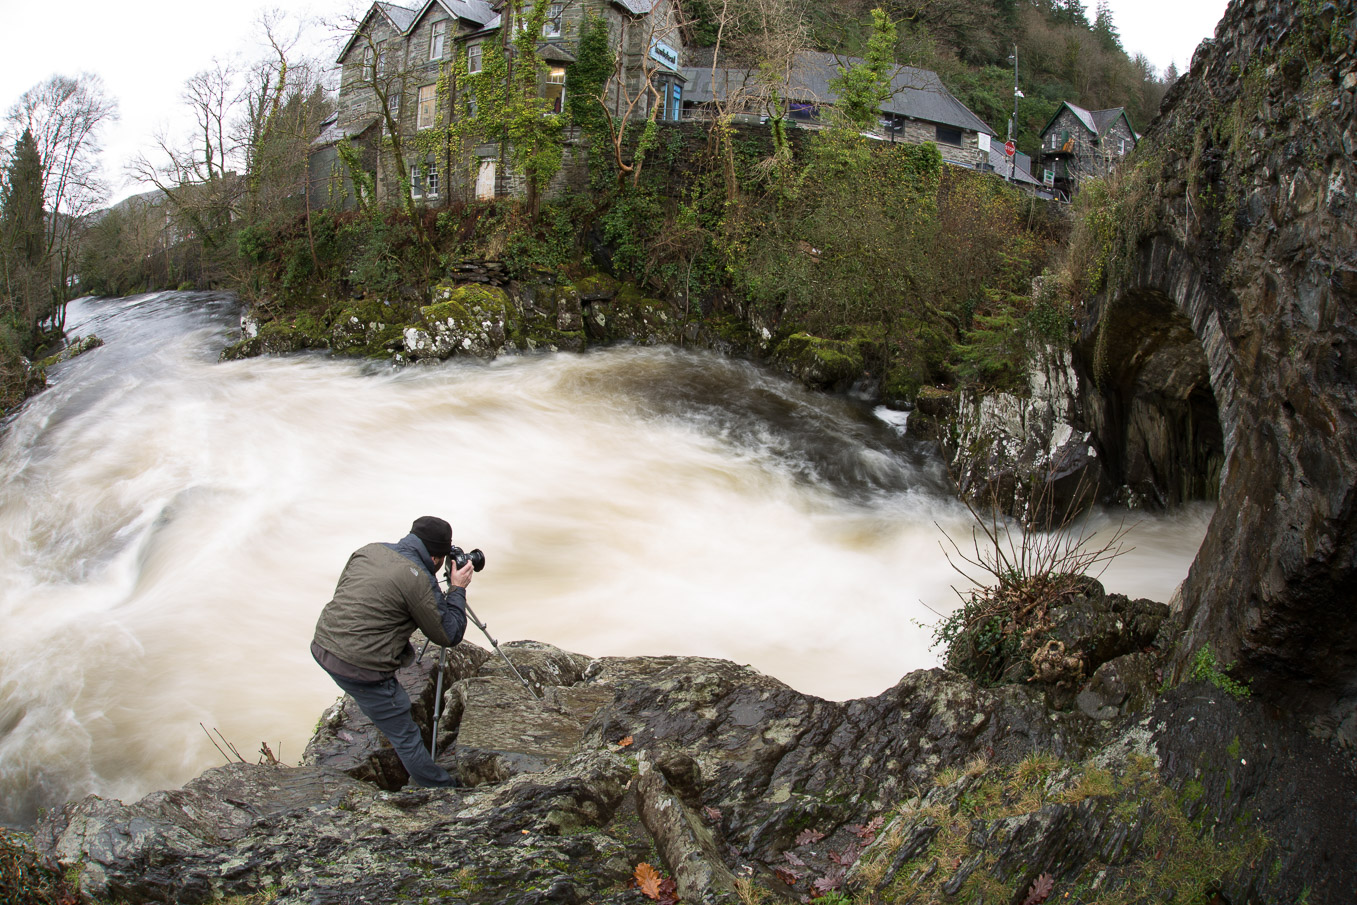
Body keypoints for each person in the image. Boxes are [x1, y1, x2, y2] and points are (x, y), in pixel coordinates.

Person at [311, 516, 472, 788]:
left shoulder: (369, 550)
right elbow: (449, 634)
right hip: (359, 666)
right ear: (436, 559)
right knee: (405, 735)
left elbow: (350, 597)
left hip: (323, 643)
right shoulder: (419, 579)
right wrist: (457, 590)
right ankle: (439, 787)